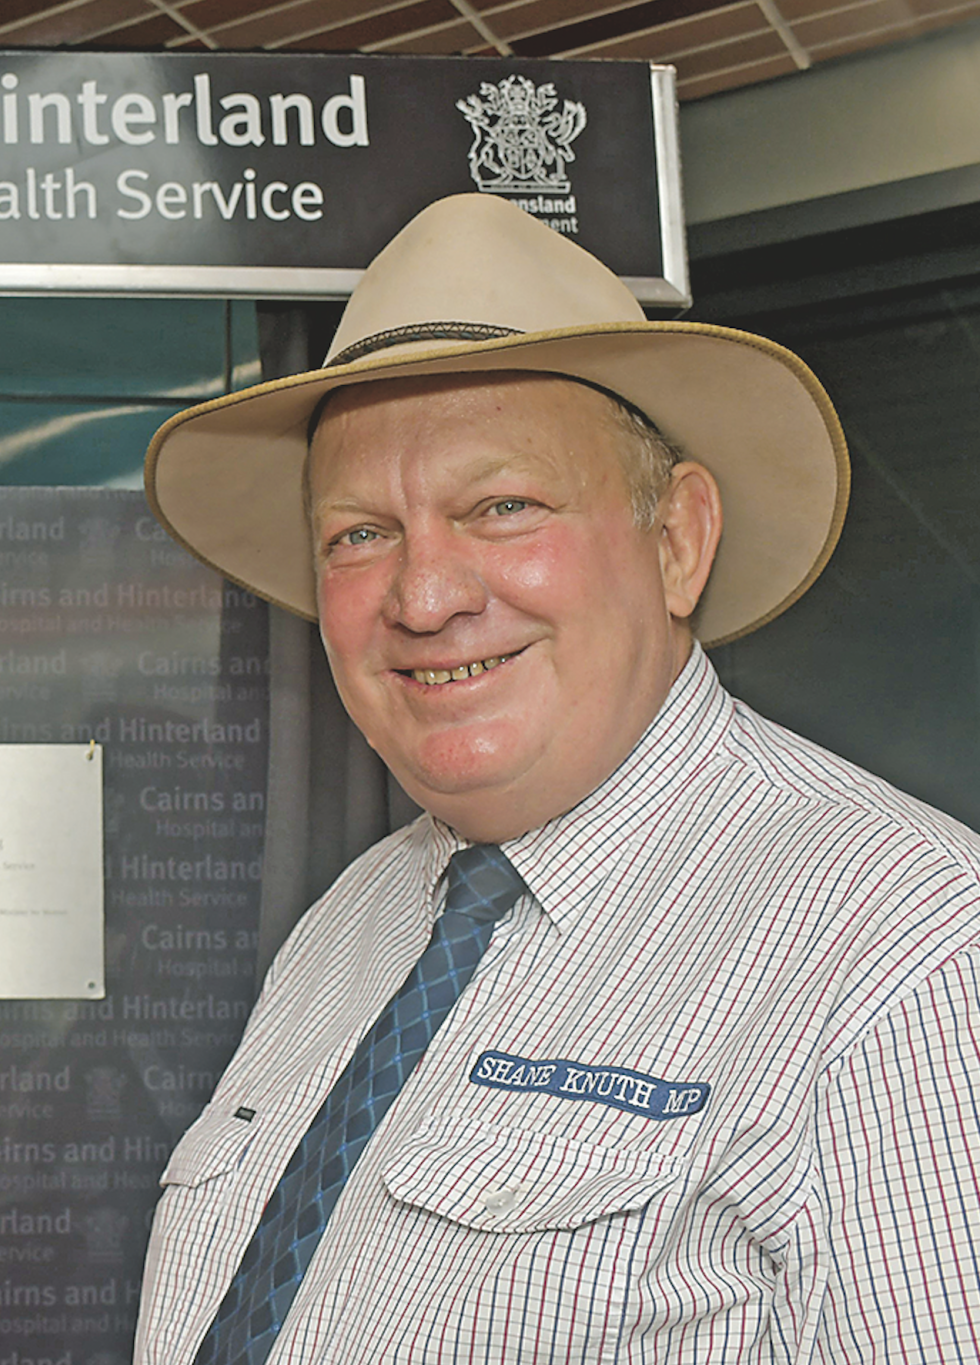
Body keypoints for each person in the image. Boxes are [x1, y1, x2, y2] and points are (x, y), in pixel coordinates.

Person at [135, 194, 980, 1362]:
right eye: (357, 534)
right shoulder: (351, 924)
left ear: (675, 540)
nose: (423, 597)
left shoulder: (904, 950)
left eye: (501, 507)